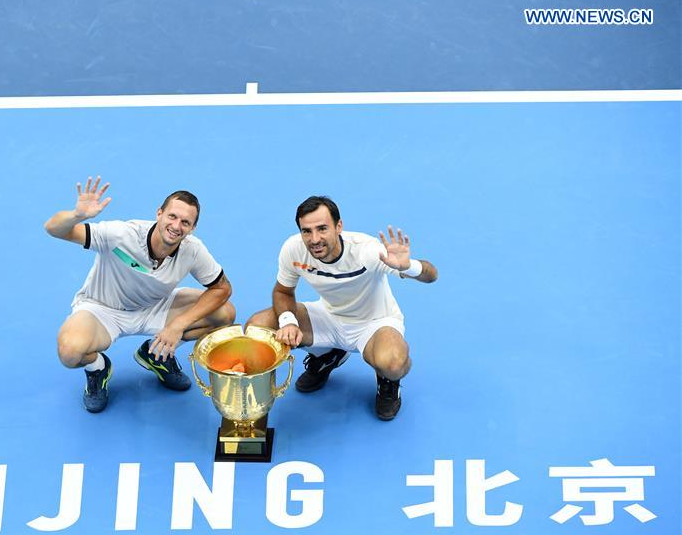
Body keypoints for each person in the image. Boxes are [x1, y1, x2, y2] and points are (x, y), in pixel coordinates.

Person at [45, 176, 235, 413]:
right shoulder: (120, 234)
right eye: (172, 216)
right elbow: (53, 229)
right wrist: (77, 215)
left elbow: (222, 289)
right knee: (70, 352)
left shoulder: (193, 250)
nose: (177, 226)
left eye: (185, 222)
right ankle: (98, 368)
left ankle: (156, 354)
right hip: (102, 310)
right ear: (159, 213)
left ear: (192, 228)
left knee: (224, 314)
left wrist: (178, 325)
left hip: (155, 306)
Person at [246, 196, 437, 421]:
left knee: (393, 363)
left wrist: (409, 266)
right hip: (329, 316)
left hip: (374, 324)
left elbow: (431, 275)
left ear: (339, 226)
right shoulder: (293, 249)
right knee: (257, 327)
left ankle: (388, 381)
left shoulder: (367, 251)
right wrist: (288, 321)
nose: (314, 239)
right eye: (306, 231)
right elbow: (282, 292)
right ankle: (327, 355)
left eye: (322, 229)